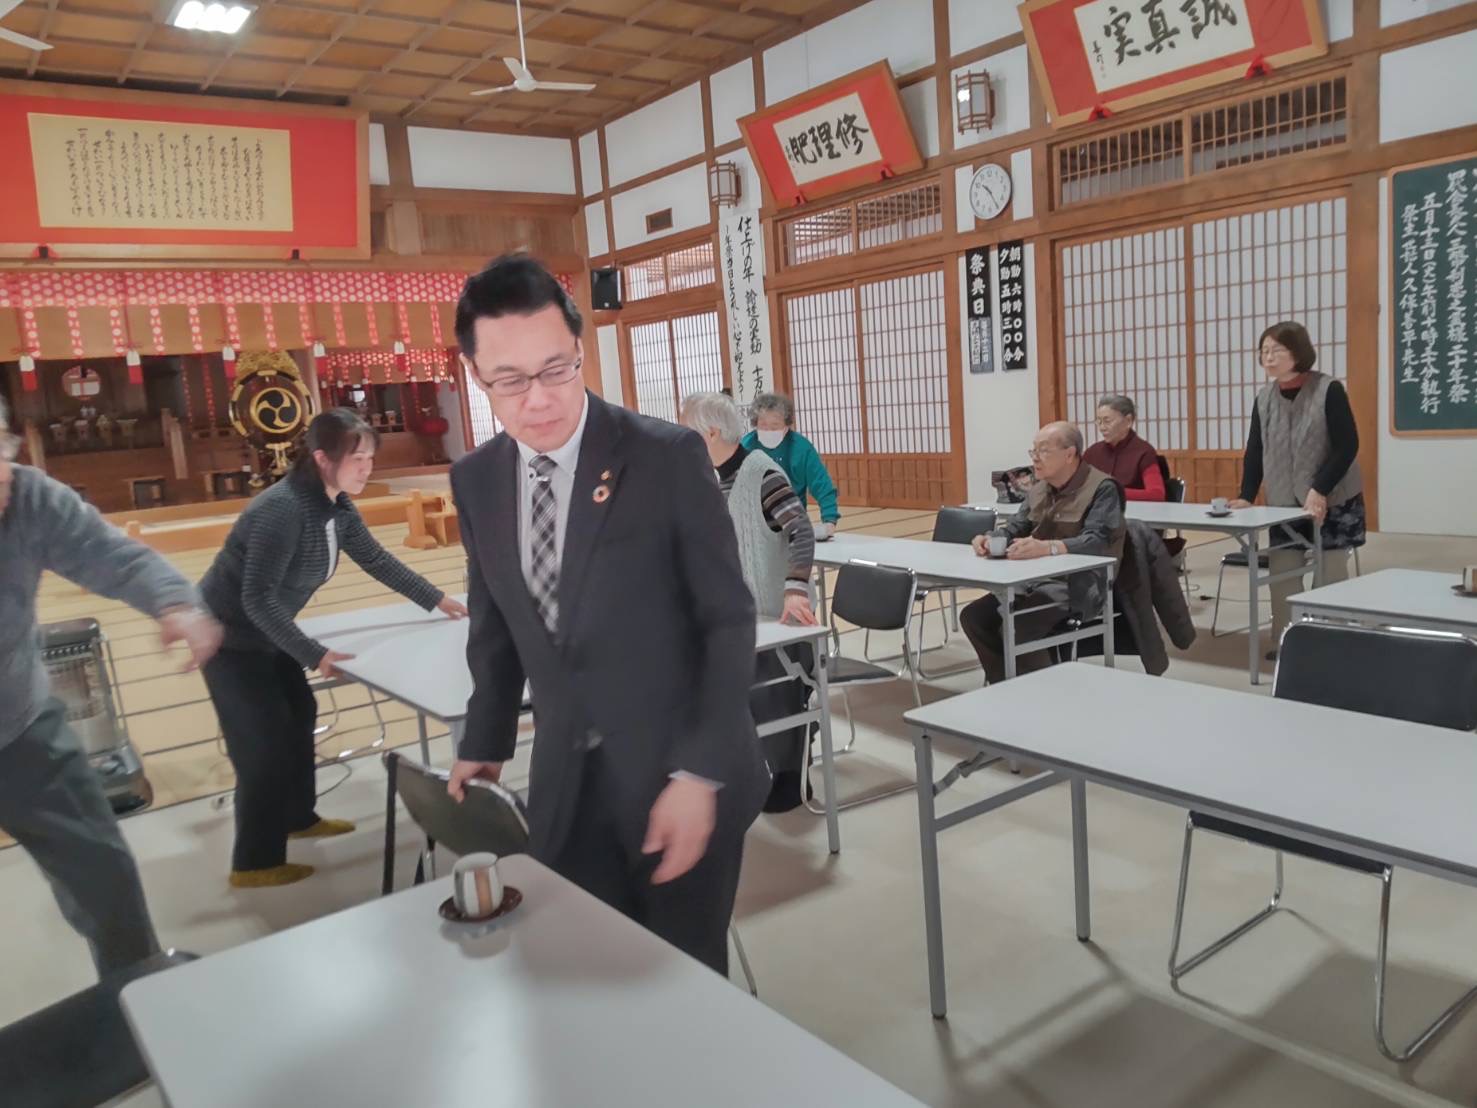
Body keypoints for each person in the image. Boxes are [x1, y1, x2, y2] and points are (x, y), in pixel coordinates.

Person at [446, 254, 769, 975]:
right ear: (475, 375)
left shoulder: (664, 456)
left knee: (681, 975)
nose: (538, 399)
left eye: (556, 369)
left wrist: (699, 774)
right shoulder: (477, 478)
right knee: (577, 961)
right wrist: (485, 736)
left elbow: (726, 620)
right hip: (566, 774)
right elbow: (494, 621)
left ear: (579, 351)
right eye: (510, 380)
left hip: (679, 769)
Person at [0, 396, 222, 979]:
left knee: (104, 872)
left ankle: (135, 988)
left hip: (21, 725)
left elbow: (109, 553)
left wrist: (175, 603)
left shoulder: (28, 497)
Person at [200, 409, 466, 888]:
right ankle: (254, 863)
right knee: (262, 746)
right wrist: (314, 654)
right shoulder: (282, 510)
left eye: (370, 458)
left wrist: (435, 598)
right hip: (228, 639)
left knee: (299, 716)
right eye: (356, 459)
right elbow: (256, 598)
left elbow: (374, 558)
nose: (367, 468)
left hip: (270, 631)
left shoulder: (336, 504)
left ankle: (298, 817)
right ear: (322, 459)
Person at [681, 390, 817, 812]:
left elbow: (802, 530)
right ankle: (753, 773)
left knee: (778, 698)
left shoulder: (762, 473)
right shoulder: (706, 478)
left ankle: (795, 780)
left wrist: (795, 587)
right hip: (733, 617)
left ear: (711, 432)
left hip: (775, 615)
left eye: (687, 432)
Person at [1229, 321, 1364, 656]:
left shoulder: (1328, 389)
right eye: (1264, 351)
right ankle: (1289, 643)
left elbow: (1347, 445)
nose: (1268, 357)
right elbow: (1255, 449)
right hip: (1284, 503)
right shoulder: (1264, 398)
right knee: (1282, 573)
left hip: (1333, 497)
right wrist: (1246, 495)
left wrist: (1319, 489)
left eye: (1277, 350)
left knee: (1329, 573)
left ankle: (1331, 645)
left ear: (1298, 352)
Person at [959, 422, 1125, 684]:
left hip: (1079, 584)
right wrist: (991, 539)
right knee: (974, 617)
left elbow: (1097, 540)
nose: (1035, 458)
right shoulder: (1039, 488)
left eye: (1044, 450)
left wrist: (1048, 548)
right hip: (1032, 580)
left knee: (1017, 627)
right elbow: (1016, 526)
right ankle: (1006, 685)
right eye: (1033, 450)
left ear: (1069, 454)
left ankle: (1043, 690)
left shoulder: (1102, 487)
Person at [741, 392, 841, 540]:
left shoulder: (801, 448)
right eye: (763, 425)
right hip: (754, 523)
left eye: (775, 425)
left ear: (787, 426)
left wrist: (829, 520)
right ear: (755, 424)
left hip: (792, 521)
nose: (768, 430)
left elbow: (822, 485)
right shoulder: (746, 446)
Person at [1083, 394, 1167, 501]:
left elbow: (1156, 494)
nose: (1102, 427)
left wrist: (1112, 492)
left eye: (1107, 421)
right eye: (1099, 421)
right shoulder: (1092, 452)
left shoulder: (1144, 452)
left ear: (1128, 421)